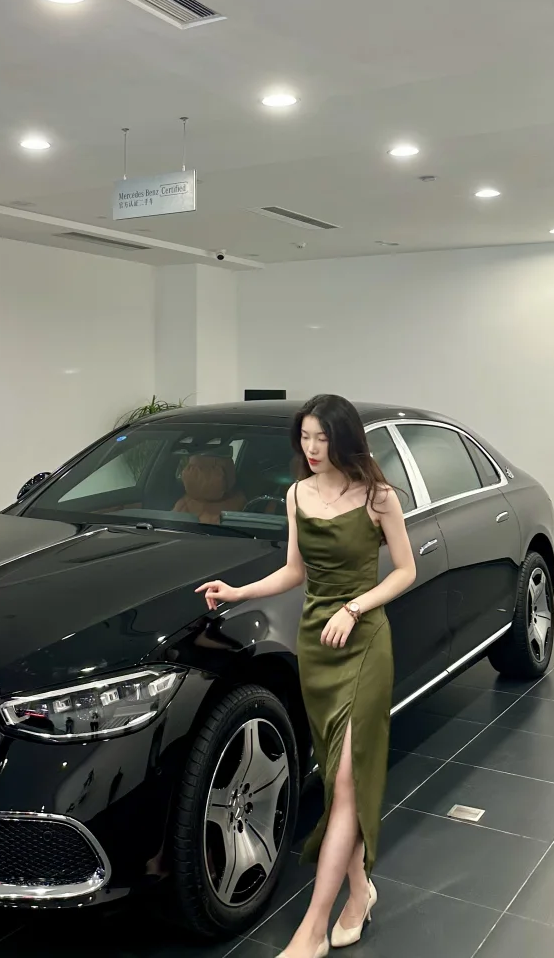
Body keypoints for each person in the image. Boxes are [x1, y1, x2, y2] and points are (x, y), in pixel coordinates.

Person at [197, 395, 416, 958]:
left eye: (322, 438)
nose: (312, 448)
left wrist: (355, 608)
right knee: (341, 785)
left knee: (346, 783)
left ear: (344, 438)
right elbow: (295, 571)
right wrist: (240, 592)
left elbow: (406, 571)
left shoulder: (378, 496)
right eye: (305, 437)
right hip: (317, 646)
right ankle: (360, 893)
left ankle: (311, 931)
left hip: (363, 642)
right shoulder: (297, 494)